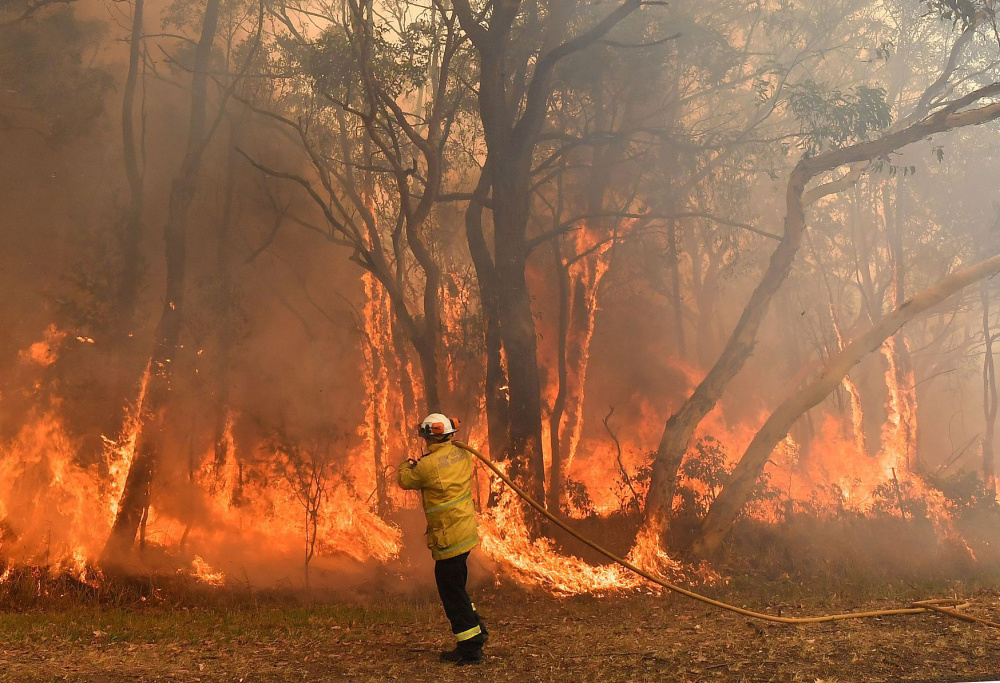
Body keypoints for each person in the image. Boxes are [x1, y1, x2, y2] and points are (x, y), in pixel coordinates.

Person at [397, 413, 489, 665]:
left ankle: (470, 648)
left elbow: (405, 480)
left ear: (429, 436)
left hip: (449, 539)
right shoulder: (463, 453)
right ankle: (476, 631)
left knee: (451, 592)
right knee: (457, 587)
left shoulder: (426, 466)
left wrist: (406, 464)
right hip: (465, 533)